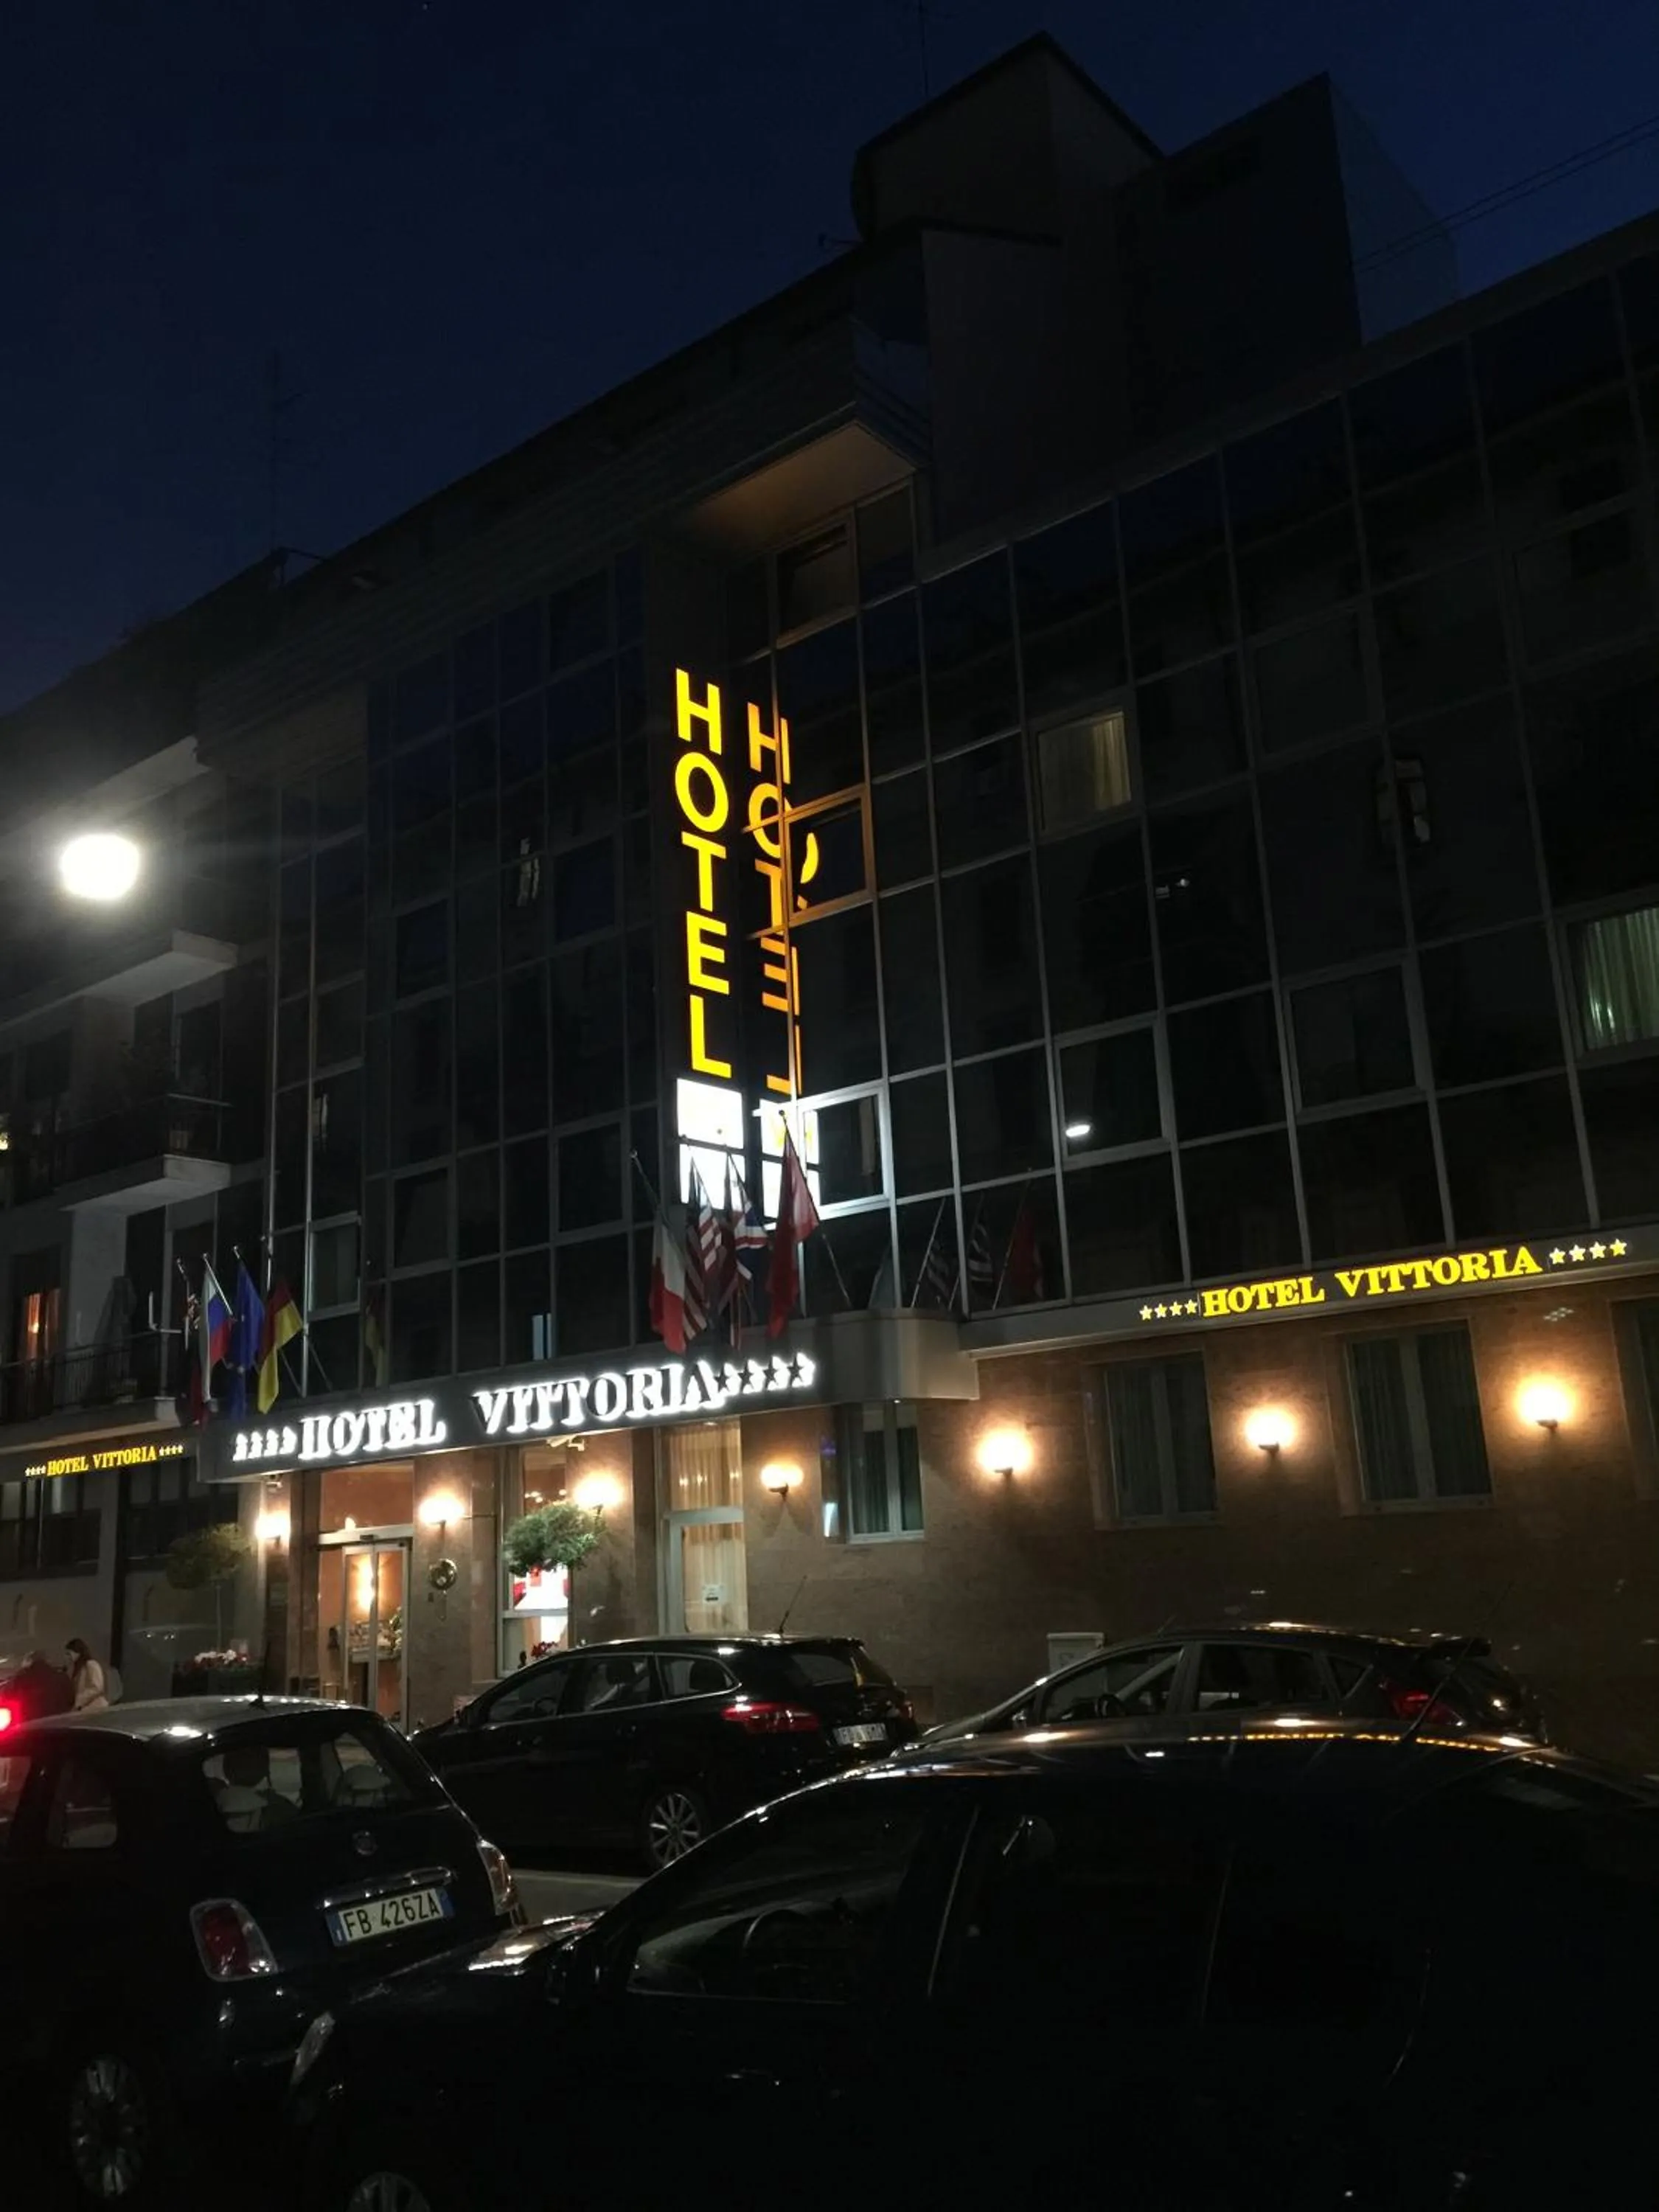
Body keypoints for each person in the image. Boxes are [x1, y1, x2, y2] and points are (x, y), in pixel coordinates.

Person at [8, 1651, 73, 1720]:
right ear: (46, 1661)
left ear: (29, 1661)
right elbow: (70, 1699)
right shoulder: (61, 1677)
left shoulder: (21, 1678)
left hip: (30, 1722)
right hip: (58, 1721)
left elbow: (9, 1696)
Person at [65, 1638, 109, 1714]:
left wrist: (79, 1700)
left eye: (69, 1654)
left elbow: (97, 1688)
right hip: (86, 1708)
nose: (68, 1657)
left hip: (95, 1708)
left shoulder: (91, 1664)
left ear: (77, 1652)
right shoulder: (80, 1668)